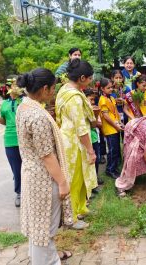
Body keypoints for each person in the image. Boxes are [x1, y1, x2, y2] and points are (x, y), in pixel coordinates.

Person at [15, 68, 73, 265]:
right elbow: (47, 155)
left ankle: (45, 259)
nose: (54, 93)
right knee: (45, 229)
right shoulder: (37, 116)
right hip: (44, 179)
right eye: (53, 89)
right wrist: (63, 182)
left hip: (33, 174)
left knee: (38, 225)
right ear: (45, 88)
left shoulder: (24, 106)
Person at [55, 59, 98, 230]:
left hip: (67, 138)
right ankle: (71, 217)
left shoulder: (64, 90)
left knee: (80, 179)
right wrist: (90, 150)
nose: (90, 81)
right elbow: (81, 128)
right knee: (73, 180)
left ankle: (80, 207)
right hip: (74, 143)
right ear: (81, 78)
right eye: (89, 78)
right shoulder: (75, 98)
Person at [0, 81, 23, 207]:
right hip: (10, 140)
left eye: (18, 85)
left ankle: (30, 191)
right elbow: (5, 121)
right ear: (8, 88)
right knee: (16, 168)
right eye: (13, 85)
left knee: (28, 167)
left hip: (25, 139)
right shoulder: (5, 104)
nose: (16, 87)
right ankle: (19, 193)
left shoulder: (25, 101)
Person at [98, 78, 123, 179]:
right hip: (110, 129)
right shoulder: (102, 99)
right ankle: (110, 170)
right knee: (112, 150)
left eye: (111, 87)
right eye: (108, 88)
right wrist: (116, 125)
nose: (111, 89)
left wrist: (120, 123)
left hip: (116, 127)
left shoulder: (111, 98)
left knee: (116, 149)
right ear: (102, 89)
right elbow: (106, 116)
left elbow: (115, 112)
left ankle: (114, 168)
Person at [84, 89, 104, 188]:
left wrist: (95, 116)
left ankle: (95, 180)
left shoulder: (94, 110)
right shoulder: (82, 111)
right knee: (88, 162)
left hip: (95, 138)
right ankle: (89, 185)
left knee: (96, 160)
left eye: (93, 100)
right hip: (87, 140)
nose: (92, 102)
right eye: (90, 99)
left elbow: (98, 124)